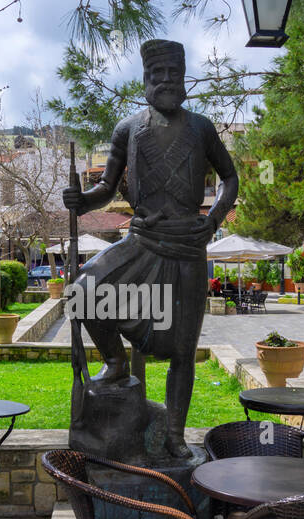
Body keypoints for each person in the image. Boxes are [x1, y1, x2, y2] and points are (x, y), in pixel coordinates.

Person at [63, 39, 238, 459]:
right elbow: (107, 187)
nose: (164, 82)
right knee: (85, 292)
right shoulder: (128, 129)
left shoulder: (201, 128)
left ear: (183, 79)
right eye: (156, 75)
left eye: (172, 75)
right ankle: (116, 362)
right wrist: (83, 201)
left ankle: (175, 435)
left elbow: (230, 179)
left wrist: (212, 222)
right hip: (142, 239)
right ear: (144, 80)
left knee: (183, 349)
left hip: (188, 245)